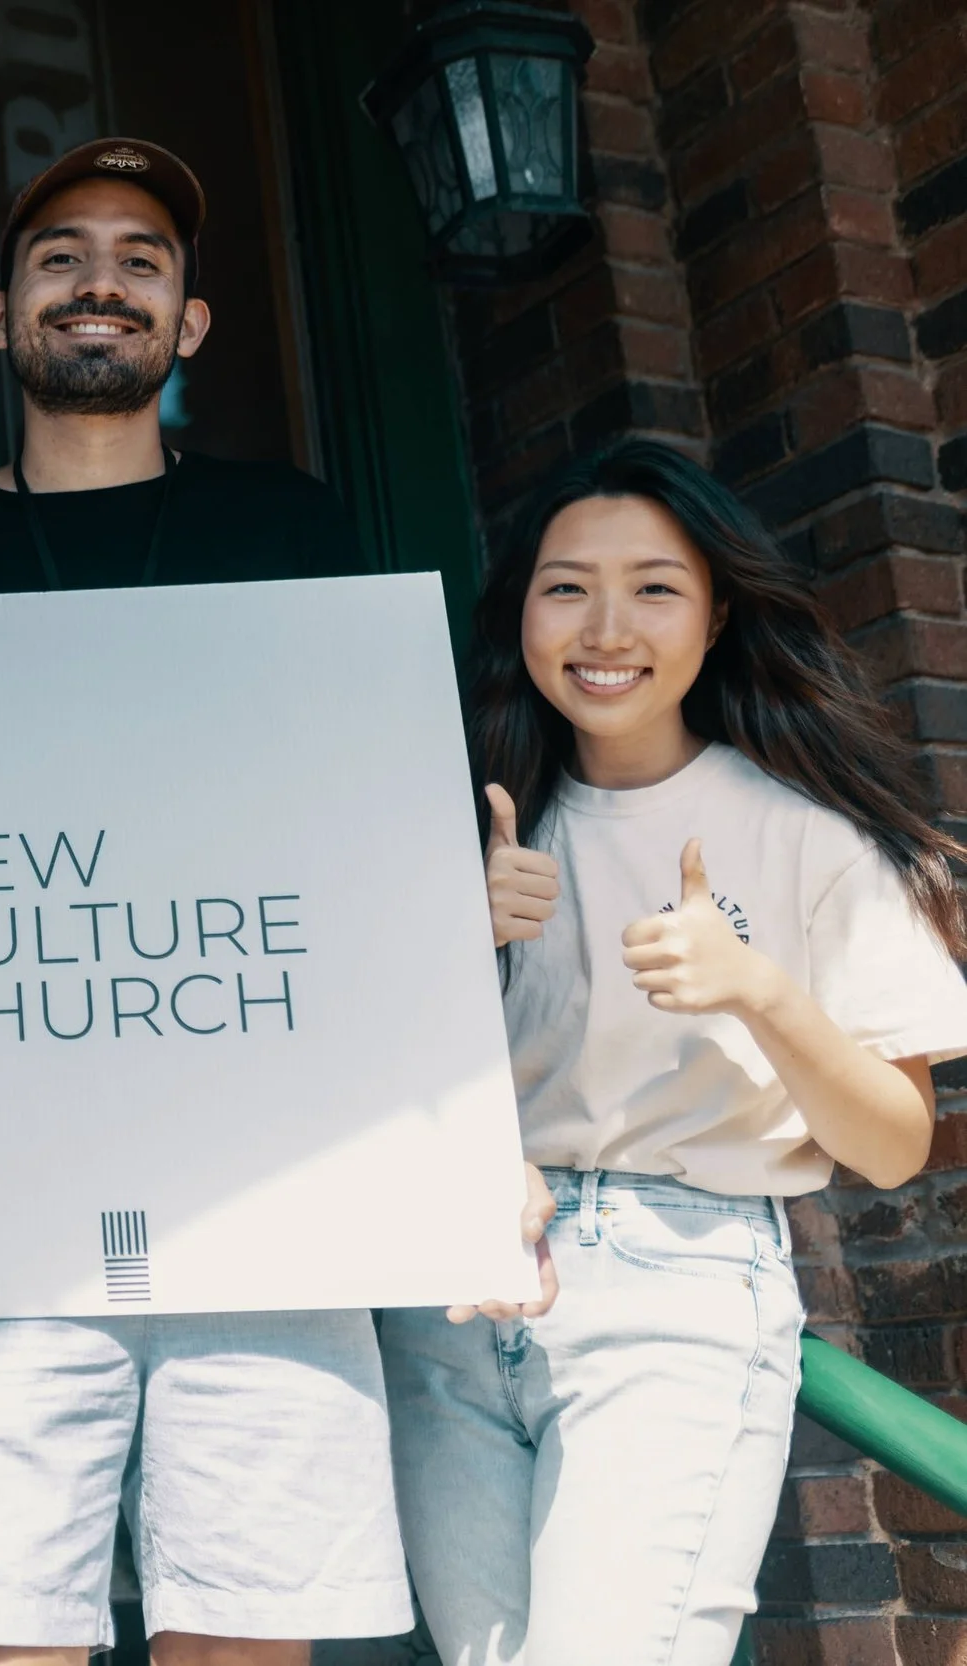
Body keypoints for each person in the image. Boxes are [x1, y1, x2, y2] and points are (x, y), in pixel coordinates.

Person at [0, 136, 554, 1666]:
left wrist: (450, 929)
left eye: (141, 260)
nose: (101, 281)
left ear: (191, 323)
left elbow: (358, 853)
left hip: (282, 1181)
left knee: (249, 1631)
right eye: (61, 256)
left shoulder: (286, 527)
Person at [379, 439, 967, 1664]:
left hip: (674, 1281)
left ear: (716, 615)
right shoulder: (462, 827)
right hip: (453, 1297)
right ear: (519, 614)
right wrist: (441, 937)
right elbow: (351, 1090)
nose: (603, 626)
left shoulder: (808, 833)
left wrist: (758, 991)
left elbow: (896, 1145)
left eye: (652, 586)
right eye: (564, 586)